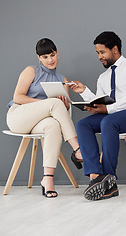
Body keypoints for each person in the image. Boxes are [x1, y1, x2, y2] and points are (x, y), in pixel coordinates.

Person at [69, 31, 126, 200]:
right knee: (83, 124)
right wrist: (84, 92)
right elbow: (101, 101)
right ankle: (96, 176)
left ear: (114, 49)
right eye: (97, 53)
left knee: (108, 121)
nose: (100, 56)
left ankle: (110, 181)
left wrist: (107, 110)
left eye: (102, 52)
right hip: (114, 116)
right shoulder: (103, 77)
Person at [6, 38, 83, 198]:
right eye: (45, 57)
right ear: (39, 58)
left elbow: (64, 111)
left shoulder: (63, 80)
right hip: (18, 116)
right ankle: (78, 149)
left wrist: (65, 104)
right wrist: (48, 103)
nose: (50, 59)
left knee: (53, 126)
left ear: (57, 54)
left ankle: (47, 179)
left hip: (40, 122)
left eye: (52, 55)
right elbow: (18, 97)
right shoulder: (31, 71)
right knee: (54, 104)